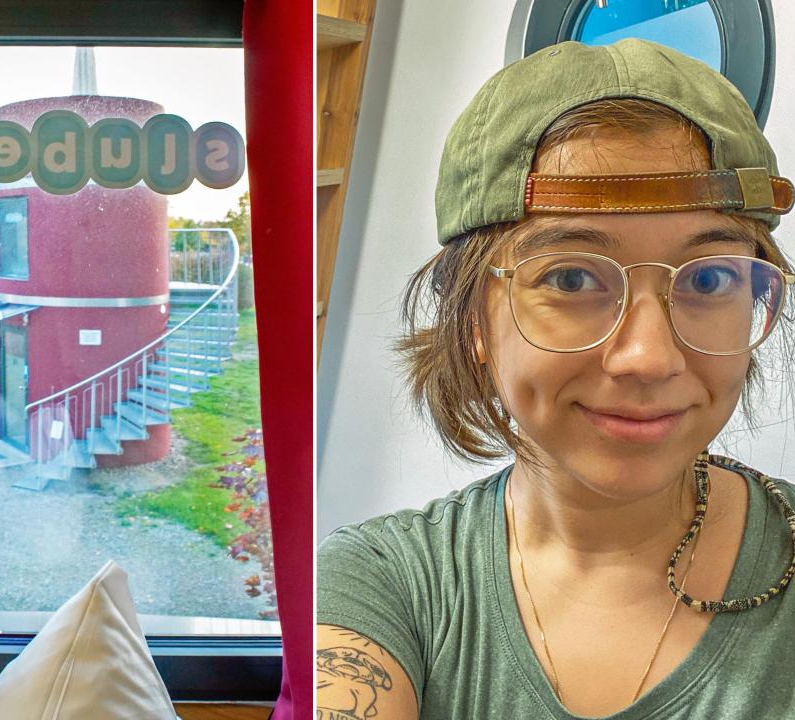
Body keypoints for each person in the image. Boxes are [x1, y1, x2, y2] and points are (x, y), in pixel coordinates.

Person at [316, 38, 795, 720]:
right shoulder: (383, 583)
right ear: (473, 319)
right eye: (571, 278)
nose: (649, 358)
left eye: (711, 279)